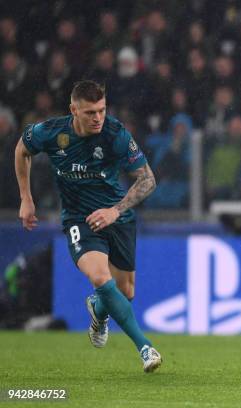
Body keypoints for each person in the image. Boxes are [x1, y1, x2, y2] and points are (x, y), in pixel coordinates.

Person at [14, 80, 162, 372]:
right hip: (79, 219)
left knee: (126, 291)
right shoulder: (53, 132)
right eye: (91, 112)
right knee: (99, 277)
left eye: (102, 110)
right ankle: (145, 347)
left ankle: (97, 308)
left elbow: (147, 179)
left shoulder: (115, 134)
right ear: (74, 110)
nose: (98, 118)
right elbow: (22, 149)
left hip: (115, 215)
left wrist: (115, 211)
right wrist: (26, 198)